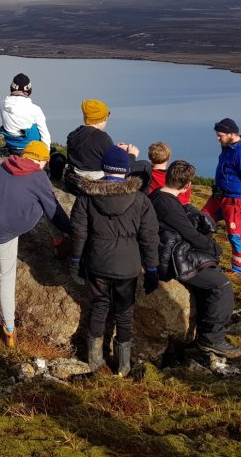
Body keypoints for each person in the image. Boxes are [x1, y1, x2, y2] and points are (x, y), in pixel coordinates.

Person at [69, 145, 159, 376]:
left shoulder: (86, 197)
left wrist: (76, 261)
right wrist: (151, 269)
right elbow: (149, 237)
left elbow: (78, 233)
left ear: (103, 168)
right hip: (127, 267)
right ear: (126, 170)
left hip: (97, 263)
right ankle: (123, 366)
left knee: (99, 307)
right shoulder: (140, 200)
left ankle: (94, 362)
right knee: (125, 312)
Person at [150, 161, 241, 358]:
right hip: (171, 259)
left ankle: (207, 328)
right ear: (187, 185)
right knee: (221, 285)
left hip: (167, 253)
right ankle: (212, 339)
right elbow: (190, 234)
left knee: (211, 277)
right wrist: (214, 248)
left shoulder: (158, 196)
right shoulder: (168, 205)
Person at [0, 141, 70, 347]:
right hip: (17, 224)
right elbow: (54, 209)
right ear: (40, 160)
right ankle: (60, 242)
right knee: (46, 203)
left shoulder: (0, 168)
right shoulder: (38, 175)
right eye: (45, 163)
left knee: (5, 276)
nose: (45, 167)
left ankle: (10, 331)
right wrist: (73, 231)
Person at [201, 118, 241, 277]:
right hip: (219, 196)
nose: (218, 137)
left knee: (236, 233)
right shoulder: (228, 147)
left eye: (220, 135)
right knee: (201, 220)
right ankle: (201, 256)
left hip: (235, 200)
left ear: (232, 134)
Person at [65, 99, 149, 192]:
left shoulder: (73, 134)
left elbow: (90, 151)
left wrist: (115, 149)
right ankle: (141, 199)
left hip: (73, 183)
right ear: (102, 119)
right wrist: (132, 155)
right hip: (94, 187)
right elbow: (118, 166)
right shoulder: (102, 137)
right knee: (145, 165)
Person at [0, 73, 52, 156]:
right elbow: (45, 135)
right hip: (30, 149)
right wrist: (46, 154)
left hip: (11, 146)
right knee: (37, 127)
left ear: (12, 88)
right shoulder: (35, 109)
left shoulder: (2, 104)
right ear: (28, 90)